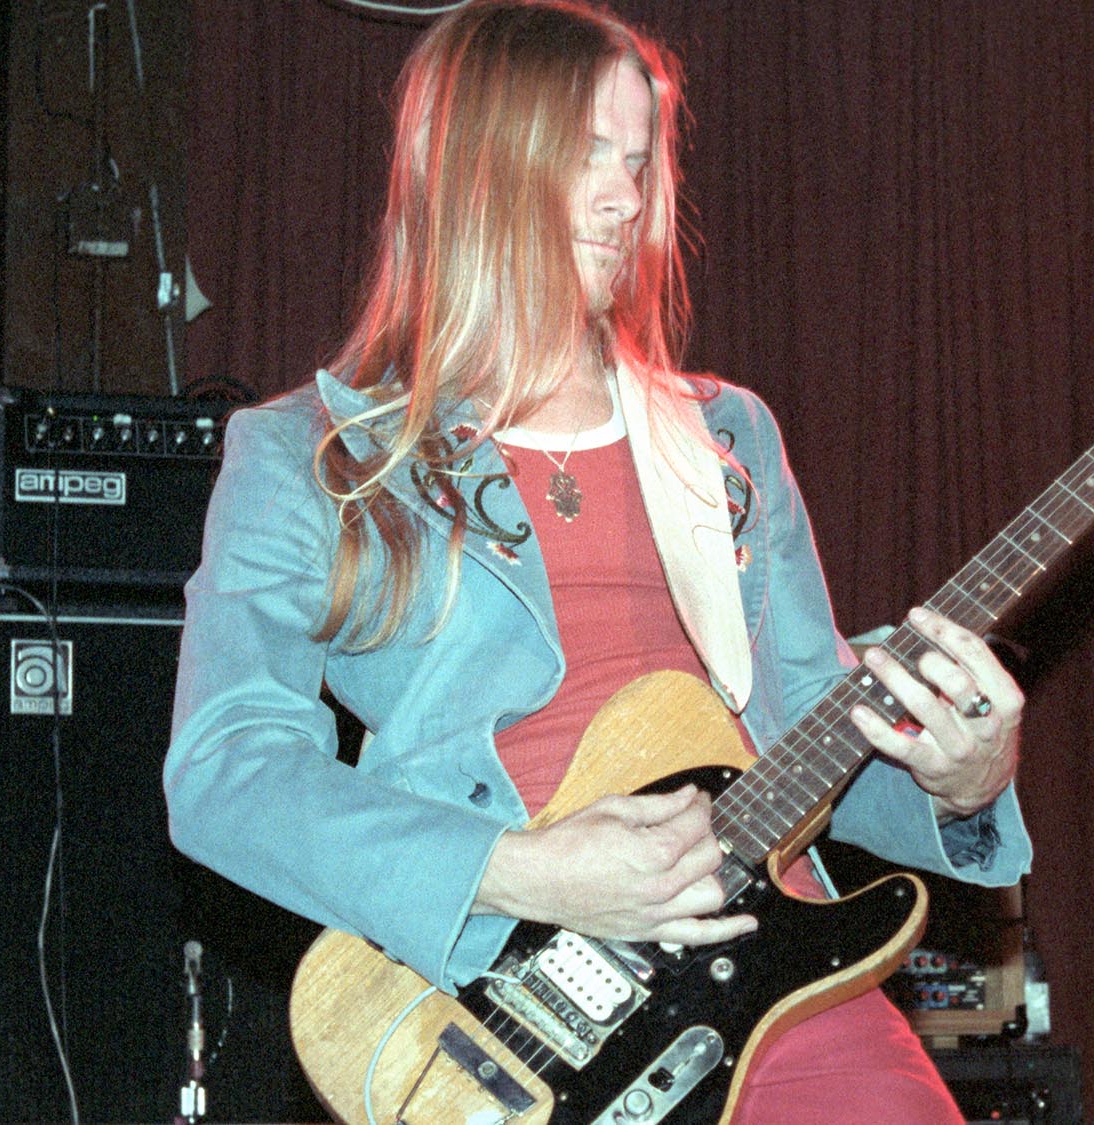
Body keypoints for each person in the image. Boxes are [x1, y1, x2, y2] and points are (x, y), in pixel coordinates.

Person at [163, 2, 1032, 1120]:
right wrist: (521, 872)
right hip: (502, 992)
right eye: (586, 160)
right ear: (476, 172)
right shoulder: (310, 455)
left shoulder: (725, 438)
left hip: (767, 959)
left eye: (637, 160)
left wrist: (961, 784)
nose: (629, 198)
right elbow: (227, 773)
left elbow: (811, 721)